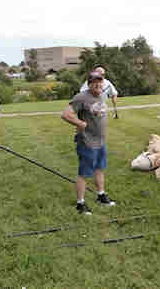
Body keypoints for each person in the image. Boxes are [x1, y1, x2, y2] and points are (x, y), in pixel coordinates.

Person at [61, 71, 116, 215]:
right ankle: (80, 204)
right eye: (94, 82)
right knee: (84, 173)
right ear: (89, 83)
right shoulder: (81, 97)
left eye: (100, 82)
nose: (98, 84)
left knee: (99, 168)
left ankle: (101, 195)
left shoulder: (103, 95)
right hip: (87, 141)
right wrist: (79, 123)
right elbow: (66, 114)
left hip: (101, 140)